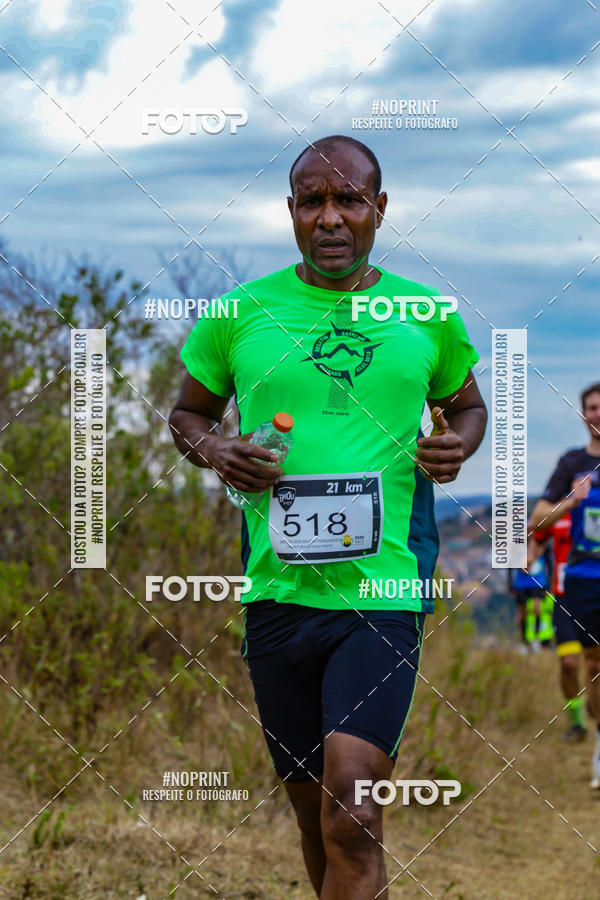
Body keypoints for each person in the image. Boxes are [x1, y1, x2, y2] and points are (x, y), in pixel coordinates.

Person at [169, 135, 487, 898]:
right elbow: (186, 415)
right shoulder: (241, 312)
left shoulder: (425, 312)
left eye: (349, 200)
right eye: (312, 201)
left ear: (380, 209)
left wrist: (458, 445)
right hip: (277, 597)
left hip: (382, 591)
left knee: (353, 807)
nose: (331, 218)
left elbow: (468, 407)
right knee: (315, 815)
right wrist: (217, 451)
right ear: (291, 212)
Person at [529, 382, 600, 787]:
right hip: (581, 583)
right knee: (586, 664)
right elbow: (538, 519)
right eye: (592, 407)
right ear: (583, 415)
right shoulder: (571, 463)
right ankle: (588, 731)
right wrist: (571, 502)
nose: (598, 413)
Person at [529, 513, 587, 741]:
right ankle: (578, 723)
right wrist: (530, 556)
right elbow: (537, 536)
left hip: (593, 597)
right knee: (569, 663)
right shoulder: (558, 510)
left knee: (594, 665)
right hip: (564, 601)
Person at [508, 546, 553, 651]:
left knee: (537, 608)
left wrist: (549, 582)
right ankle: (525, 641)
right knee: (523, 614)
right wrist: (510, 584)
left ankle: (536, 638)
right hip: (521, 583)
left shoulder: (543, 543)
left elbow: (549, 562)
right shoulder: (517, 545)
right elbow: (510, 564)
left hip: (538, 582)